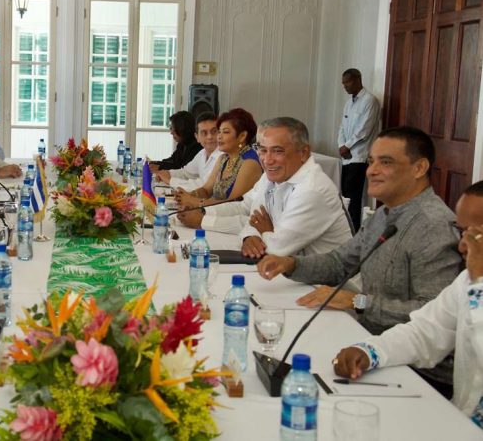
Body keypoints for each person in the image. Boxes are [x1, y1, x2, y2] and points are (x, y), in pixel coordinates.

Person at [257, 126, 462, 392]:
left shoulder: (433, 225)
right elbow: (340, 263)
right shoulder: (385, 215)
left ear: (419, 168)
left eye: (385, 162)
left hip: (422, 373)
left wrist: (359, 302)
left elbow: (433, 315)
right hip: (371, 345)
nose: (371, 170)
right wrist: (292, 264)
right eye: (371, 161)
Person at [332, 181, 483, 426]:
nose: (463, 245)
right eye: (461, 231)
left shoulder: (475, 280)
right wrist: (371, 351)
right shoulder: (467, 280)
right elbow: (425, 331)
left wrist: (479, 286)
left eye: (476, 235)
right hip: (460, 420)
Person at [177, 117, 352, 259]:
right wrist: (250, 235)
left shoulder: (312, 190)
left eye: (277, 151)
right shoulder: (273, 176)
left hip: (329, 290)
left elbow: (277, 249)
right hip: (293, 275)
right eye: (262, 150)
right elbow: (248, 211)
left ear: (304, 153)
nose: (267, 160)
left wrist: (264, 232)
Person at [174, 108, 262, 214]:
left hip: (233, 224)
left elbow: (231, 205)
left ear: (242, 136)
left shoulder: (250, 163)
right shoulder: (223, 158)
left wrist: (195, 202)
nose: (219, 137)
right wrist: (189, 196)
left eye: (225, 132)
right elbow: (206, 190)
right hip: (214, 215)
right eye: (219, 131)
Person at [337, 68, 381, 231]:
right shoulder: (349, 103)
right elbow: (342, 126)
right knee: (345, 194)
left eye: (347, 82)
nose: (345, 86)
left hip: (359, 155)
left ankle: (354, 229)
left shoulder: (370, 101)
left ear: (357, 80)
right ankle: (345, 228)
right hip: (346, 155)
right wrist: (341, 145)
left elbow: (364, 129)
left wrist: (347, 145)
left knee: (354, 197)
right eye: (343, 83)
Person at [153, 111, 222, 190]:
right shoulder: (202, 153)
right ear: (197, 137)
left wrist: (170, 180)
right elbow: (186, 173)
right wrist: (167, 173)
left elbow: (204, 185)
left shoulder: (222, 155)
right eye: (204, 133)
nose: (209, 137)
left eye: (214, 132)